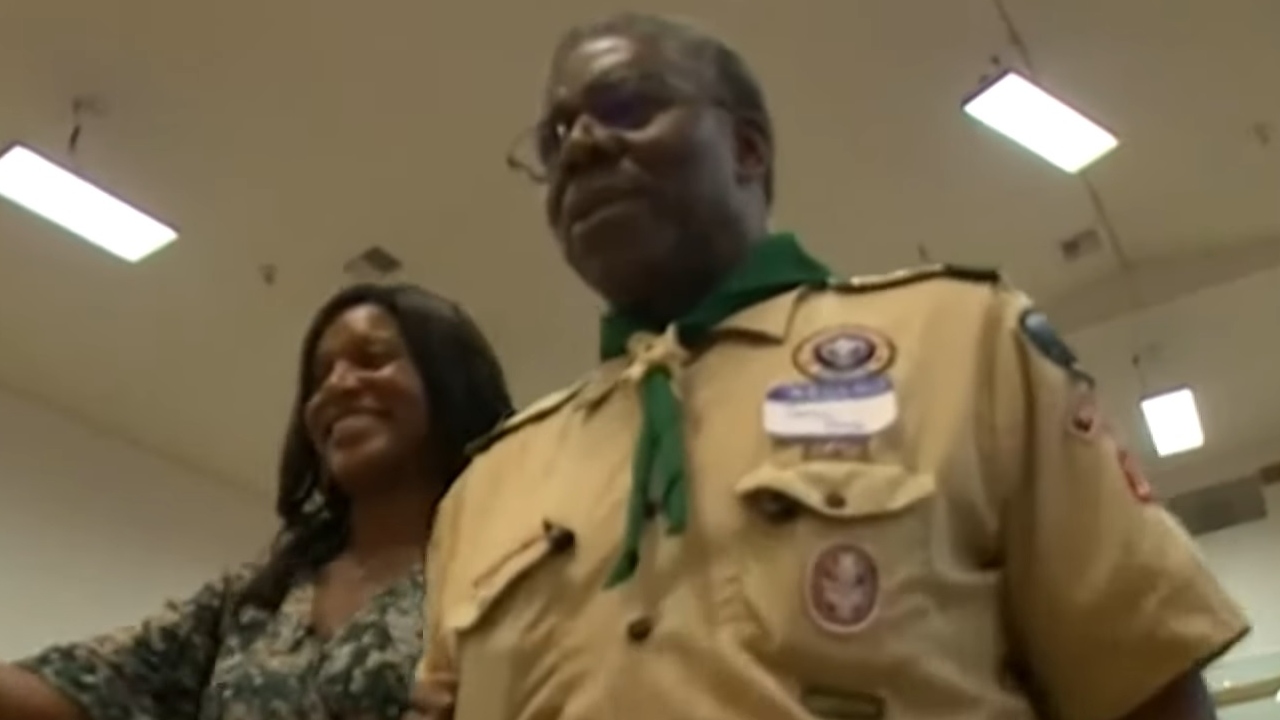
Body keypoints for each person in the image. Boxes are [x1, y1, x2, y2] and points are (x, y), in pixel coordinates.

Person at [411, 12, 1250, 720]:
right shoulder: (487, 490)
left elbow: (1143, 683)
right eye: (555, 139)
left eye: (628, 105)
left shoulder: (962, 345)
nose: (584, 143)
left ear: (747, 149)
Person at [0, 282, 513, 720]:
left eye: (373, 359)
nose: (336, 385)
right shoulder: (260, 595)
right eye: (320, 376)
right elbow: (71, 686)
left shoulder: (508, 575)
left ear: (449, 383)